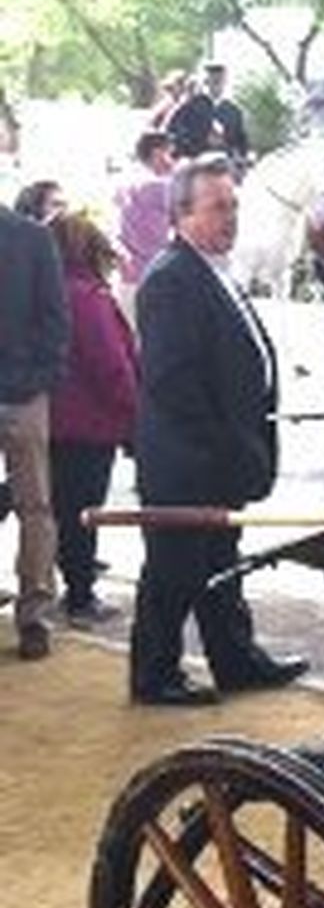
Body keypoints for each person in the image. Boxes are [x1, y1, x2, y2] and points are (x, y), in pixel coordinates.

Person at [129, 156, 306, 706]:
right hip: (186, 460)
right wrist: (227, 444)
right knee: (173, 571)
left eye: (234, 205)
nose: (231, 218)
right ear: (183, 214)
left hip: (216, 457)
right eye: (218, 207)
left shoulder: (211, 271)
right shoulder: (171, 279)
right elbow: (172, 382)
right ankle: (154, 675)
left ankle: (236, 660)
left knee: (219, 565)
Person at [47, 212, 139, 624]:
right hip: (90, 422)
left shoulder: (47, 290)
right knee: (83, 510)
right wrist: (133, 412)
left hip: (51, 415)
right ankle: (80, 597)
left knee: (57, 504)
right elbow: (110, 366)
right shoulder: (89, 297)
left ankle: (66, 583)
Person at [0, 201, 69, 659]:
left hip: (24, 393)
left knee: (37, 505)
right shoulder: (32, 237)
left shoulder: (32, 238)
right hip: (26, 389)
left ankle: (35, 614)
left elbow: (55, 318)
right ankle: (35, 616)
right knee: (37, 506)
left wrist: (37, 379)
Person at [115, 128, 176, 290]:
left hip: (128, 274)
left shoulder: (124, 183)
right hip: (155, 275)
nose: (173, 161)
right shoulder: (160, 187)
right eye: (170, 154)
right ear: (157, 154)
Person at [165, 61, 249, 167]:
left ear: (225, 82)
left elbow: (240, 142)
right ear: (206, 81)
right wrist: (198, 142)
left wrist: (236, 154)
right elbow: (173, 134)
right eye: (213, 80)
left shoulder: (233, 111)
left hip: (224, 166)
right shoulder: (189, 107)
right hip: (195, 163)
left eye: (220, 80)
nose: (216, 84)